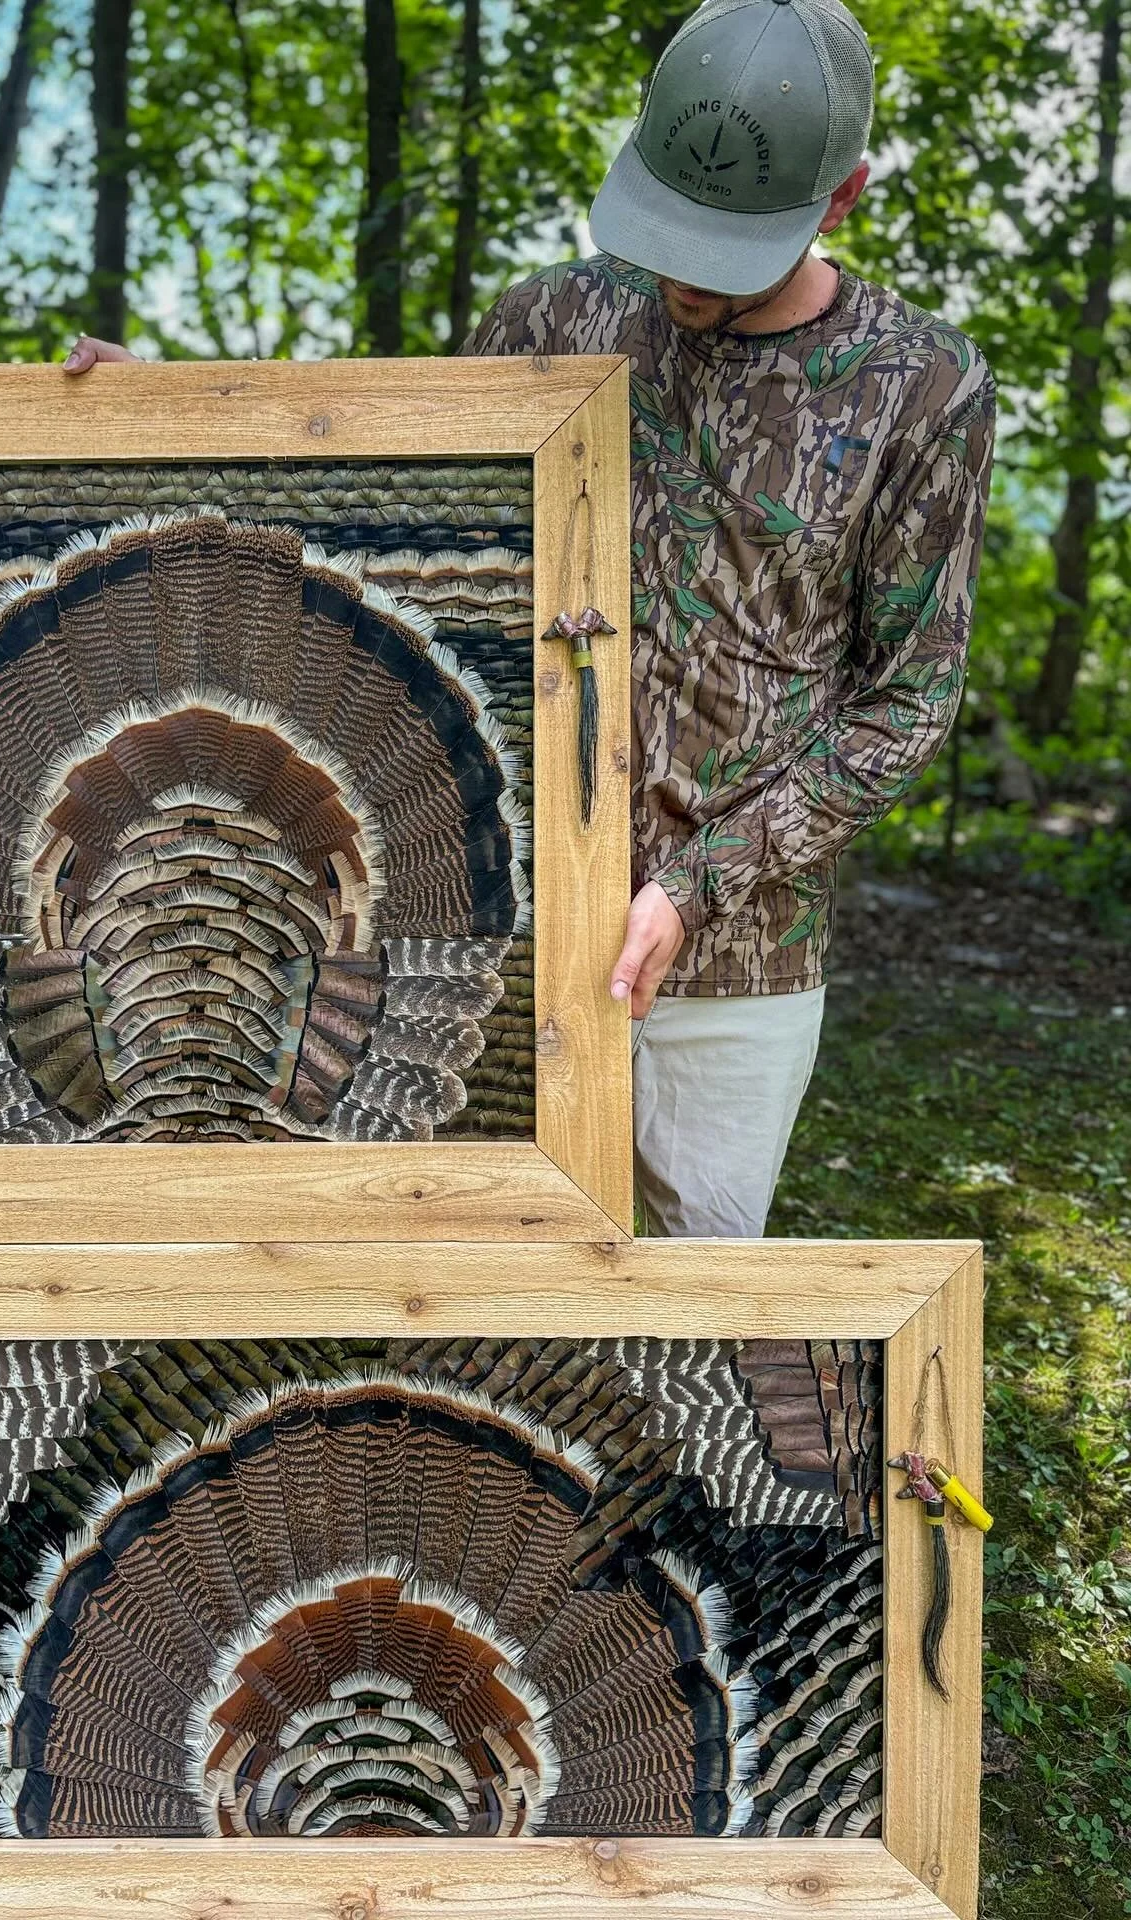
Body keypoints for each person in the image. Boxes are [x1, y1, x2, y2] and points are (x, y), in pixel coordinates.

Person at [63, 0, 996, 1236]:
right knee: (477, 1280)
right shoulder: (552, 322)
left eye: (728, 246)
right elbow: (388, 513)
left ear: (843, 200)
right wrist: (178, 419)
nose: (683, 272)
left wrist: (698, 884)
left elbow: (908, 698)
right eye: (671, 223)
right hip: (496, 913)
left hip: (739, 960)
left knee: (697, 1300)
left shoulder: (926, 388)